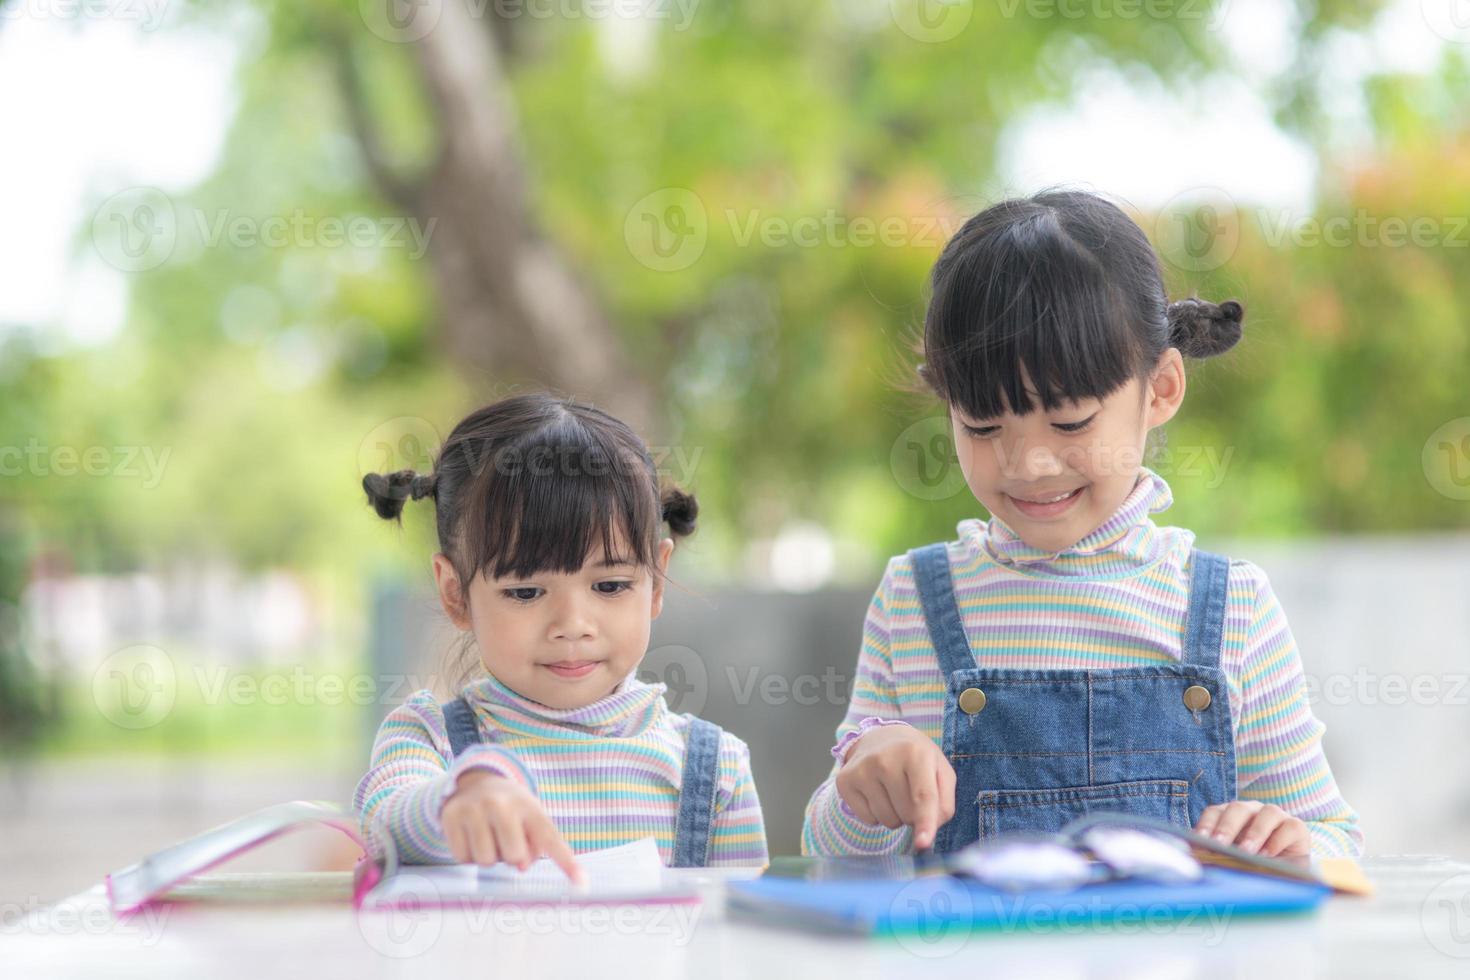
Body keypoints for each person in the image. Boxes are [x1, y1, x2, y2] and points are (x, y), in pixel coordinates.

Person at [803, 189, 1362, 861]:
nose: (1031, 463)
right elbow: (825, 855)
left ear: (1160, 390)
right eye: (983, 428)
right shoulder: (913, 600)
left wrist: (1293, 842)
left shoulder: (1232, 609)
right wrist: (862, 790)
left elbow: (1337, 838)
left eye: (1071, 423)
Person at [355, 393, 768, 879]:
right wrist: (458, 797)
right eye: (526, 591)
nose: (573, 625)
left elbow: (739, 939)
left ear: (656, 580)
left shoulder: (715, 771)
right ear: (455, 594)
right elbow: (389, 822)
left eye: (610, 585)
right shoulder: (428, 741)